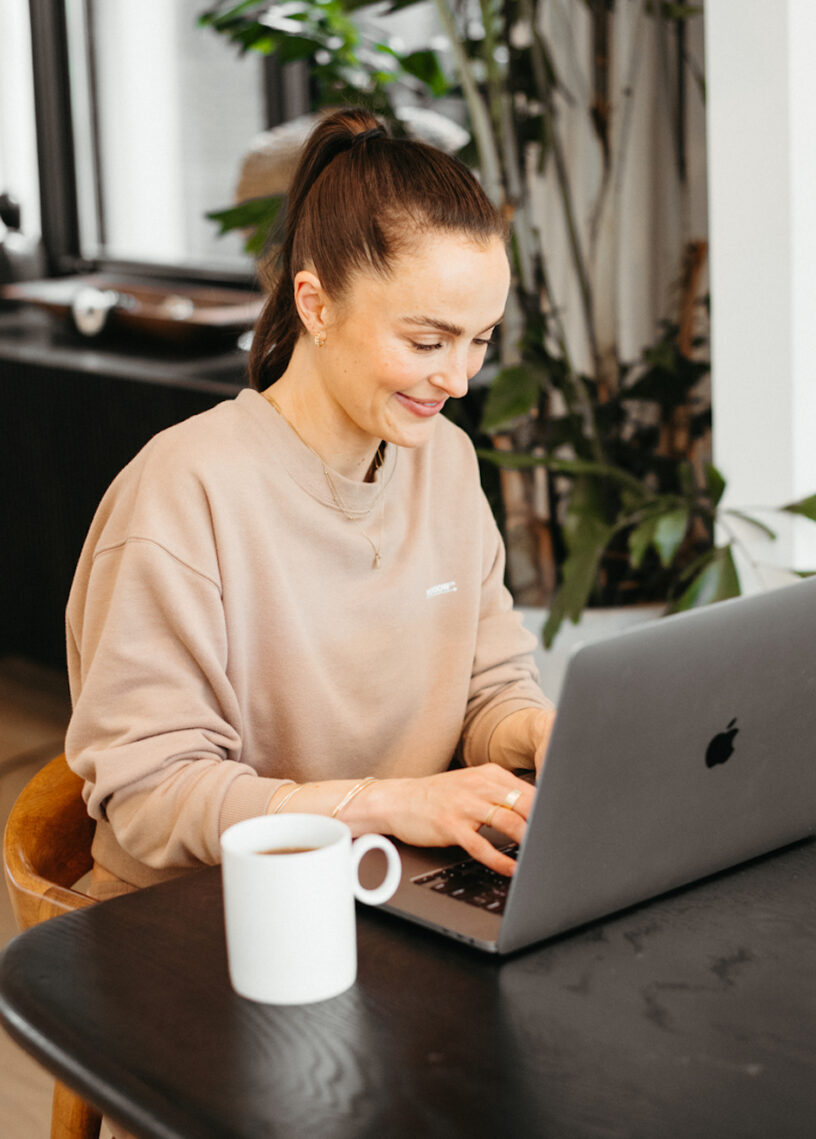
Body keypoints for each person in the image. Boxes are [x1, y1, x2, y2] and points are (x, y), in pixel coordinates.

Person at [65, 106, 556, 902]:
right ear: (315, 304)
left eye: (481, 339)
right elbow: (150, 795)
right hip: (190, 922)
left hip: (382, 892)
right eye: (428, 342)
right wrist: (389, 802)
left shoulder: (447, 461)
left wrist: (536, 728)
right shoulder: (183, 490)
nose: (458, 378)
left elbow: (487, 688)